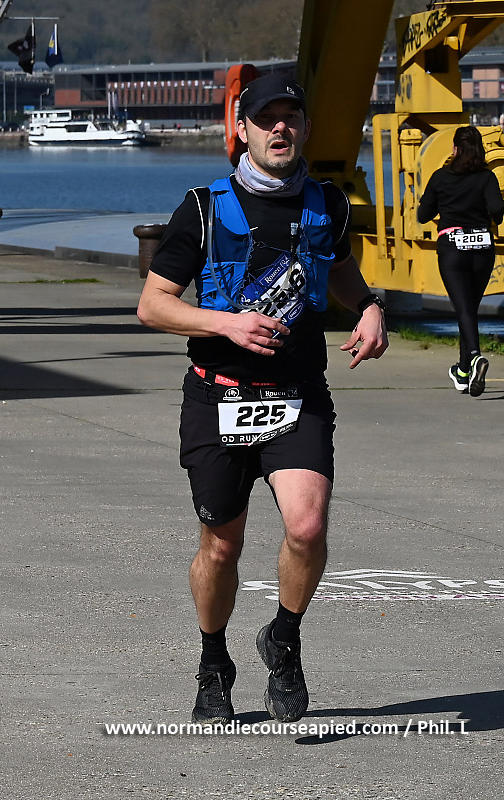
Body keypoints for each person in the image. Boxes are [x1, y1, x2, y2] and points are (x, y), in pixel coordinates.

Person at [137, 74, 388, 725]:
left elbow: (335, 266)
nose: (280, 127)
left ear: (304, 128)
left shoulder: (327, 203)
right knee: (221, 546)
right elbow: (153, 306)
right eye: (266, 118)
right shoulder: (202, 208)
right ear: (241, 130)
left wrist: (368, 306)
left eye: (291, 116)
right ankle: (213, 661)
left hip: (298, 396)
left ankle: (284, 637)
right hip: (217, 396)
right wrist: (226, 324)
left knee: (307, 527)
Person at [418, 125, 504, 397]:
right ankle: (464, 371)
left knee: (464, 308)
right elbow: (497, 211)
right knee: (469, 308)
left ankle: (475, 357)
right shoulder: (487, 178)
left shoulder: (441, 177)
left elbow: (423, 215)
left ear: (454, 149)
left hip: (452, 248)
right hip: (482, 249)